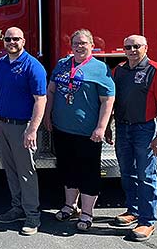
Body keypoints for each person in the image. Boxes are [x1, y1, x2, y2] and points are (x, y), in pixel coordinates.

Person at [43, 29, 115, 231]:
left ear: (92, 45)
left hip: (88, 133)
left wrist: (101, 127)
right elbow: (51, 90)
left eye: (83, 43)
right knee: (67, 169)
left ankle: (87, 213)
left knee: (88, 172)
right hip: (62, 128)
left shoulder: (100, 68)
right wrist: (48, 115)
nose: (79, 46)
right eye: (76, 43)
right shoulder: (62, 64)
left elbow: (108, 99)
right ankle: (69, 206)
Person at [112, 35, 157, 242]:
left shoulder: (155, 70)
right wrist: (110, 127)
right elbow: (113, 101)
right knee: (127, 172)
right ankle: (133, 210)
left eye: (136, 46)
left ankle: (147, 221)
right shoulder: (119, 70)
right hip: (122, 128)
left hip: (144, 129)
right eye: (128, 47)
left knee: (146, 174)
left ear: (146, 47)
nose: (132, 50)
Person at [0, 27, 47, 236]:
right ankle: (17, 208)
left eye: (15, 39)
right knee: (11, 170)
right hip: (2, 125)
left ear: (23, 40)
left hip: (23, 127)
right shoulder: (0, 64)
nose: (11, 42)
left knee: (26, 173)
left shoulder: (33, 66)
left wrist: (32, 129)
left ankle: (32, 216)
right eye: (8, 39)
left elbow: (40, 100)